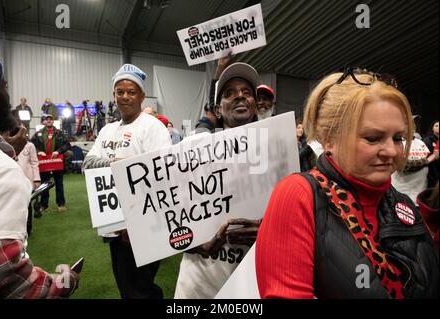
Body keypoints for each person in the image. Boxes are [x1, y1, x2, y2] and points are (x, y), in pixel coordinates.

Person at [256, 67, 439, 299]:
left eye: (398, 138)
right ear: (329, 138)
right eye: (372, 138)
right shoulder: (298, 194)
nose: (391, 151)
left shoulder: (402, 204)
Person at [0, 54, 79, 298]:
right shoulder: (1, 171)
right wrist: (63, 281)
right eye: (5, 86)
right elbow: (3, 274)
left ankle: (57, 203)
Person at [82, 63, 171, 299]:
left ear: (142, 95)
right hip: (113, 222)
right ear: (114, 96)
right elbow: (87, 165)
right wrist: (120, 164)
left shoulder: (153, 128)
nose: (125, 97)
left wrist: (138, 223)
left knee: (137, 289)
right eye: (119, 92)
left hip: (142, 224)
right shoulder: (107, 130)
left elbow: (161, 173)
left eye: (131, 92)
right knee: (127, 285)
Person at [174, 62, 262, 299]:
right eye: (229, 93)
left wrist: (268, 229)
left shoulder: (275, 151)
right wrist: (191, 243)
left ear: (255, 105)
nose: (239, 96)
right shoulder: (191, 150)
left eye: (246, 92)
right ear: (218, 110)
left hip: (251, 284)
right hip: (198, 284)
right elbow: (165, 217)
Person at [31, 114, 70, 213]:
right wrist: (38, 151)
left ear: (53, 121)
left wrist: (58, 151)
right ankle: (43, 205)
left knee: (59, 184)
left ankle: (61, 204)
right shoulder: (38, 133)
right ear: (43, 121)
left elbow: (67, 144)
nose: (48, 121)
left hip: (57, 161)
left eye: (50, 119)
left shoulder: (60, 133)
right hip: (44, 162)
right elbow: (31, 144)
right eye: (46, 119)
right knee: (44, 185)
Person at [423, 120, 439, 188]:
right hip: (432, 173)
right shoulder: (428, 140)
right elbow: (427, 157)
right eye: (436, 126)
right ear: (432, 128)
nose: (439, 127)